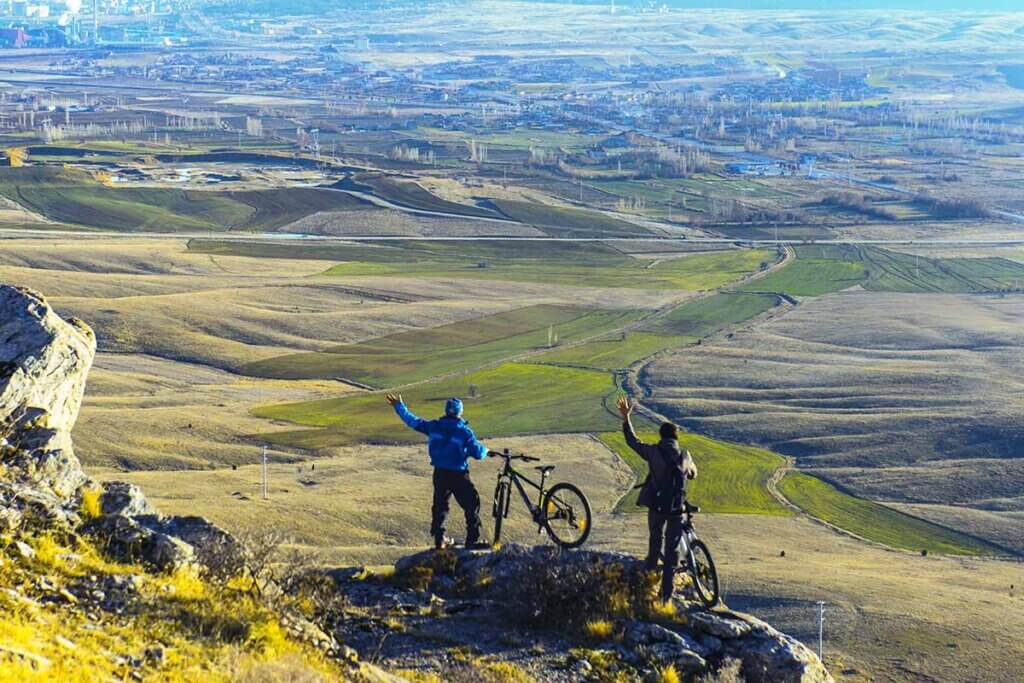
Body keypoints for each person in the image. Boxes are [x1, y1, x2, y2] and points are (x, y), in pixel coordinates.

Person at [617, 396, 697, 603]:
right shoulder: (685, 455)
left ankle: (644, 590)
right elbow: (693, 474)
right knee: (671, 555)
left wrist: (627, 418)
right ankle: (665, 598)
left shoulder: (654, 452)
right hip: (677, 510)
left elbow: (632, 442)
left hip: (657, 507)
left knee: (655, 545)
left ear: (661, 436)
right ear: (676, 438)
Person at [386, 393, 490, 550]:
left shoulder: (434, 426)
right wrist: (486, 451)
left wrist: (399, 407)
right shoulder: (464, 432)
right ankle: (472, 539)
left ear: (446, 411)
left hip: (440, 473)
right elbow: (477, 453)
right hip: (458, 474)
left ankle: (439, 539)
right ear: (459, 412)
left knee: (440, 505)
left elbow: (412, 421)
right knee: (471, 502)